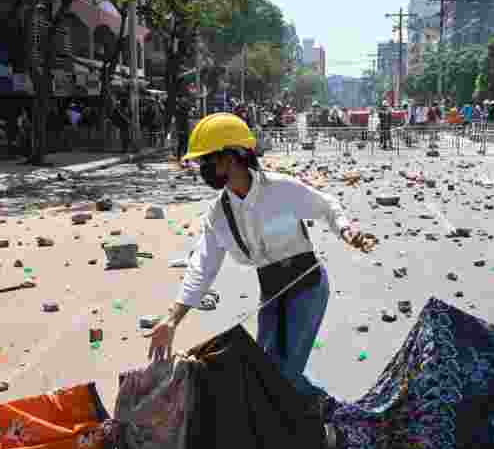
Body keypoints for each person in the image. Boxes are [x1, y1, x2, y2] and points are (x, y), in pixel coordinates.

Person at [145, 113, 374, 408]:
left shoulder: (281, 189)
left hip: (307, 287)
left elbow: (326, 205)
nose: (202, 170)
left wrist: (346, 230)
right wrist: (172, 319)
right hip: (271, 293)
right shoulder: (219, 214)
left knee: (283, 374)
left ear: (232, 157)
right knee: (262, 370)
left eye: (207, 161)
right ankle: (296, 425)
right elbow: (202, 267)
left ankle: (338, 414)